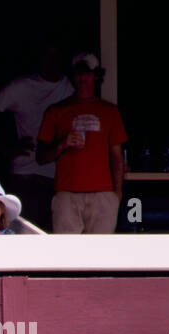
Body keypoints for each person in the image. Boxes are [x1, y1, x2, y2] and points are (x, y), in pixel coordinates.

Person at [0, 44, 72, 234]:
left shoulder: (72, 87)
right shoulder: (21, 86)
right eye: (47, 56)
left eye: (56, 56)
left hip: (60, 180)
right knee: (23, 235)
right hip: (25, 176)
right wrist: (6, 148)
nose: (52, 62)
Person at [36, 54, 126, 234]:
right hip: (67, 194)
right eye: (77, 74)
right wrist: (62, 144)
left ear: (97, 76)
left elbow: (117, 157)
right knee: (67, 255)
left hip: (103, 194)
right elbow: (40, 157)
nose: (81, 78)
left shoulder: (110, 111)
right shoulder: (56, 111)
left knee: (100, 256)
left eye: (87, 74)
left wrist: (117, 193)